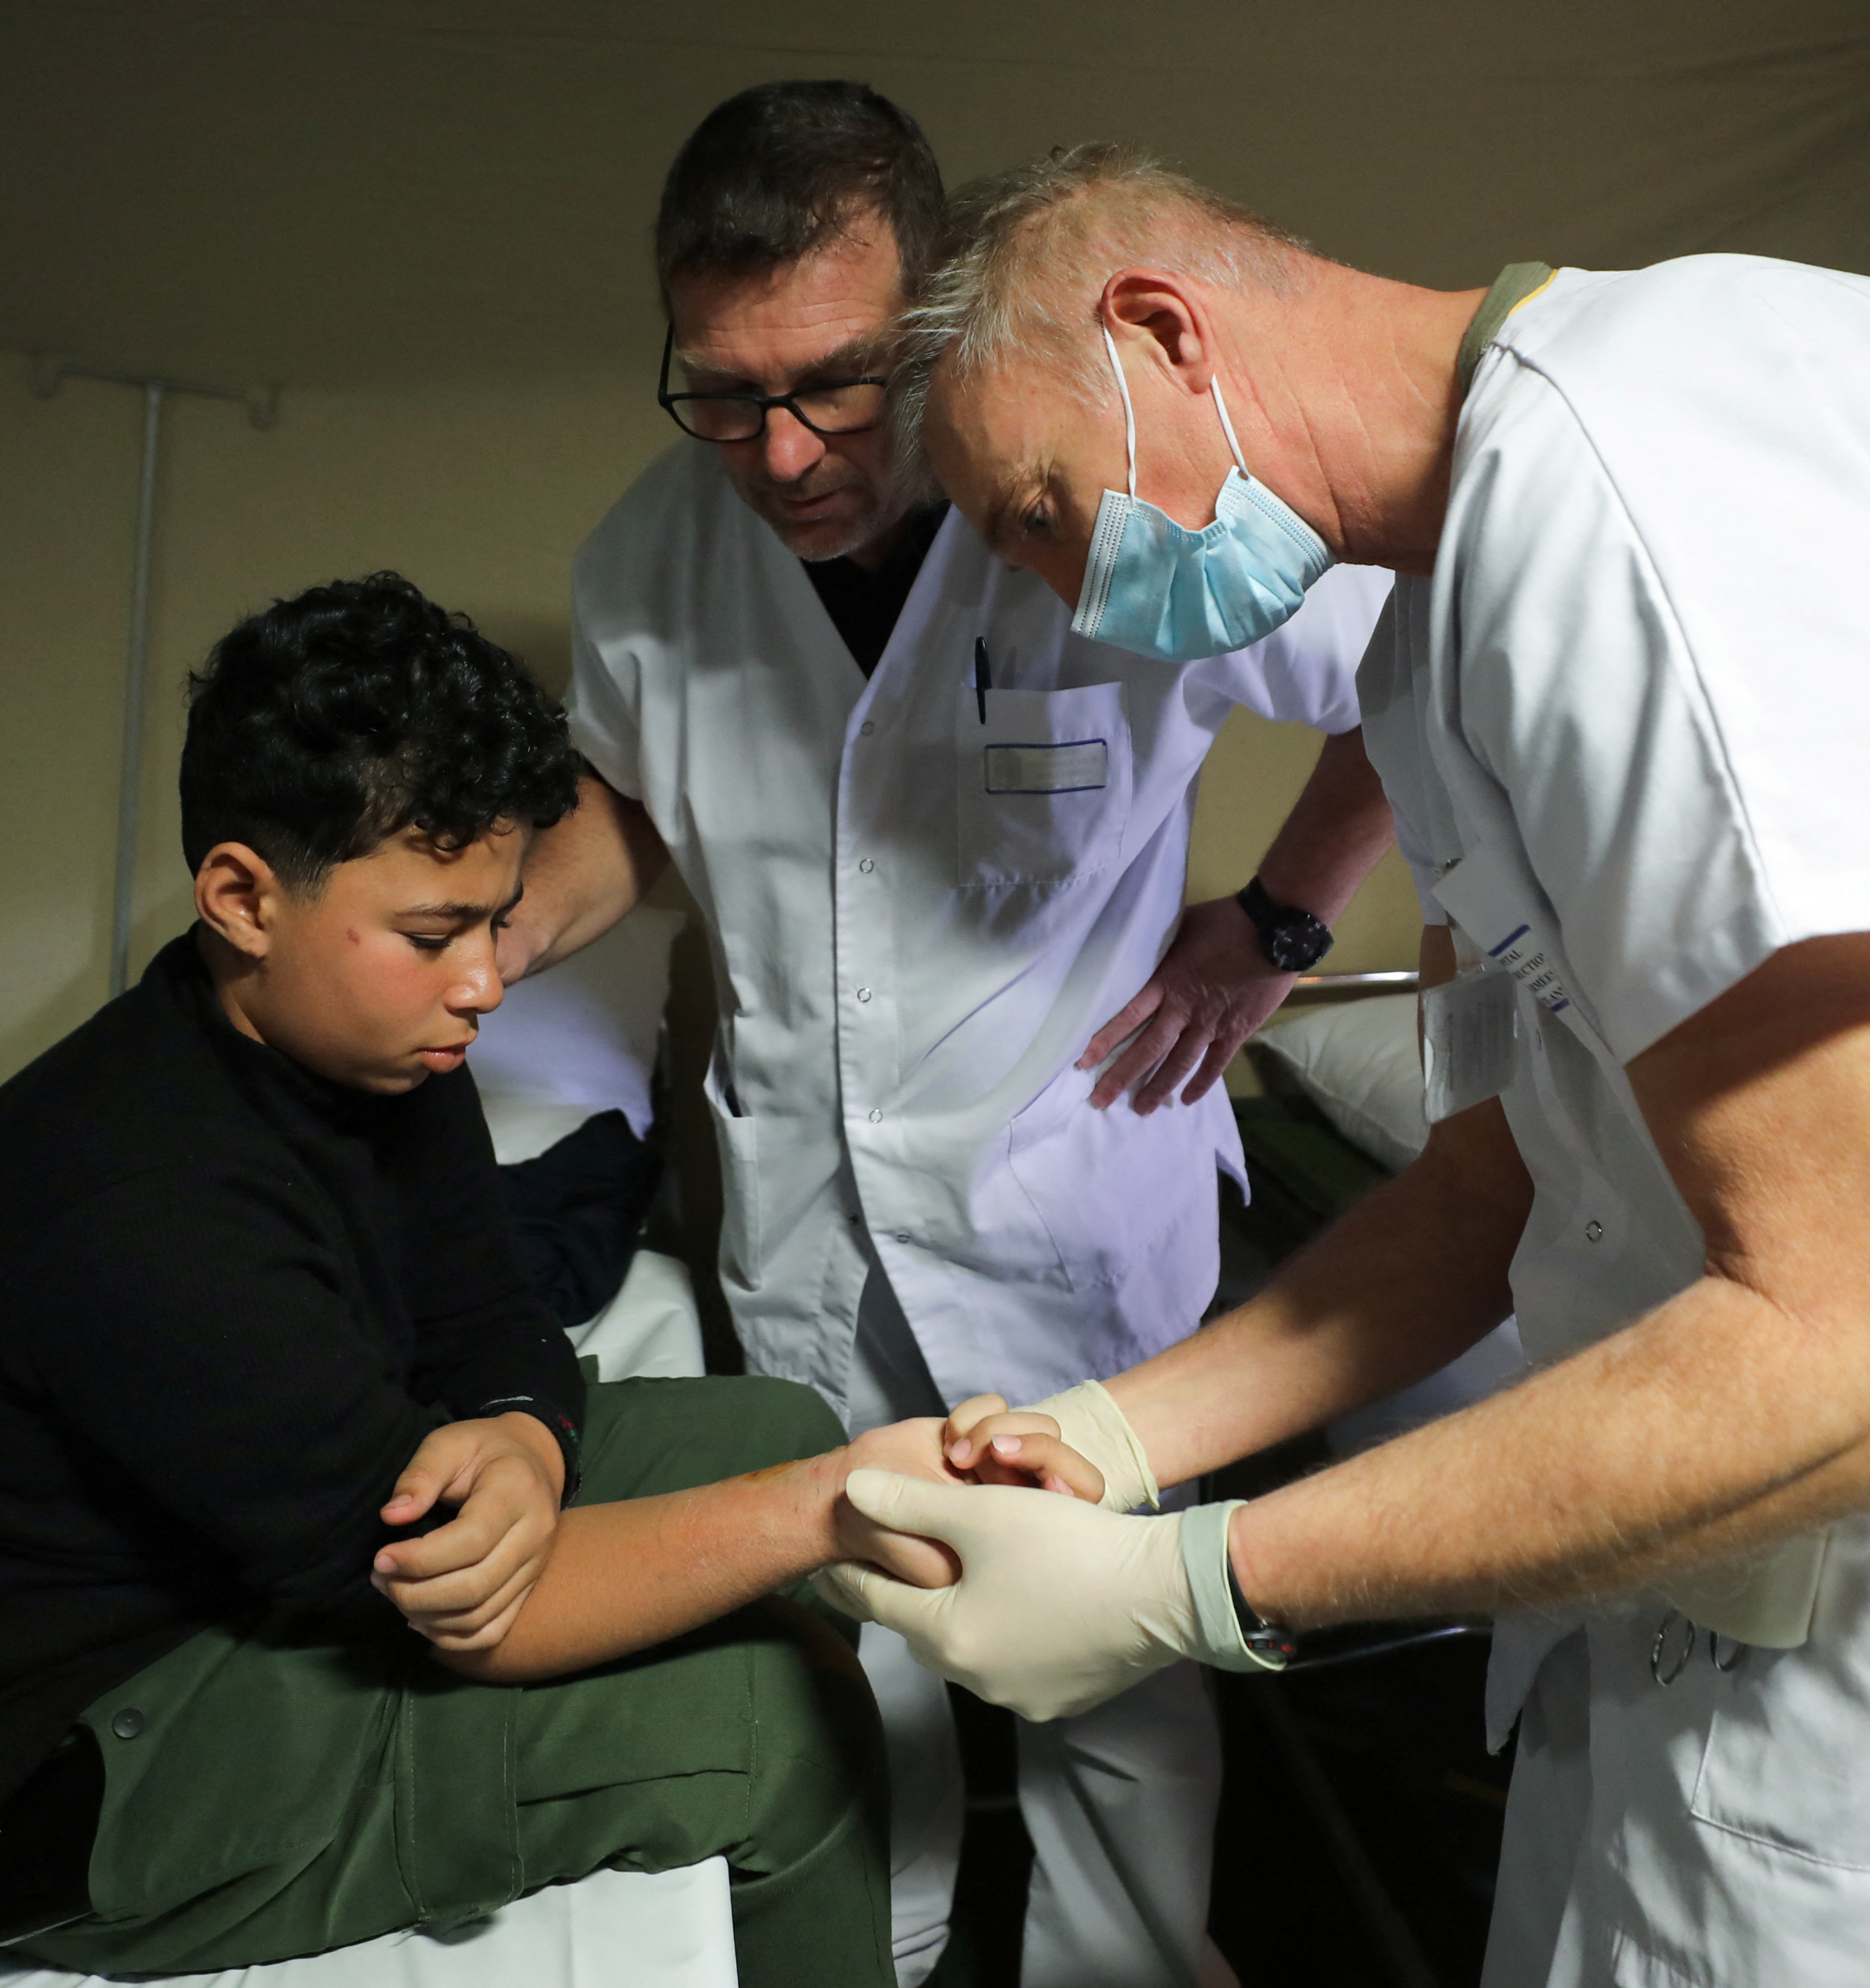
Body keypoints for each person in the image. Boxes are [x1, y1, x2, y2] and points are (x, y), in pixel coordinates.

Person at [827, 148, 1870, 1988]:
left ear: (1161, 332)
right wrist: (1114, 1438)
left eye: (1039, 512)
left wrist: (1199, 1587)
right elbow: (1500, 1188)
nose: (1075, 600)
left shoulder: (1659, 493)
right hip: (1752, 1597)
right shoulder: (1437, 643)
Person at [500, 85, 1395, 1987]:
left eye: (833, 382)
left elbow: (1409, 673)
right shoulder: (650, 559)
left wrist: (1283, 920)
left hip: (1062, 1188)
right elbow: (645, 810)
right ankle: (874, 1955)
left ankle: (1123, 1967)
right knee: (848, 1638)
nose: (785, 447)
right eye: (723, 393)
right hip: (809, 1205)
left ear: (931, 319)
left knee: (1114, 1680)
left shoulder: (1095, 499)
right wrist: (475, 933)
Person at [0, 574, 981, 1983]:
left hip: (251, 1562)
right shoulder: (134, 1208)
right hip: (63, 1767)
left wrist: (518, 1432)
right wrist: (819, 1519)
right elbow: (479, 1614)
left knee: (784, 1428)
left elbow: (490, 1318)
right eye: (436, 934)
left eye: (497, 921)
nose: (487, 980)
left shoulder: (370, 1041)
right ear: (242, 896)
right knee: (766, 1717)